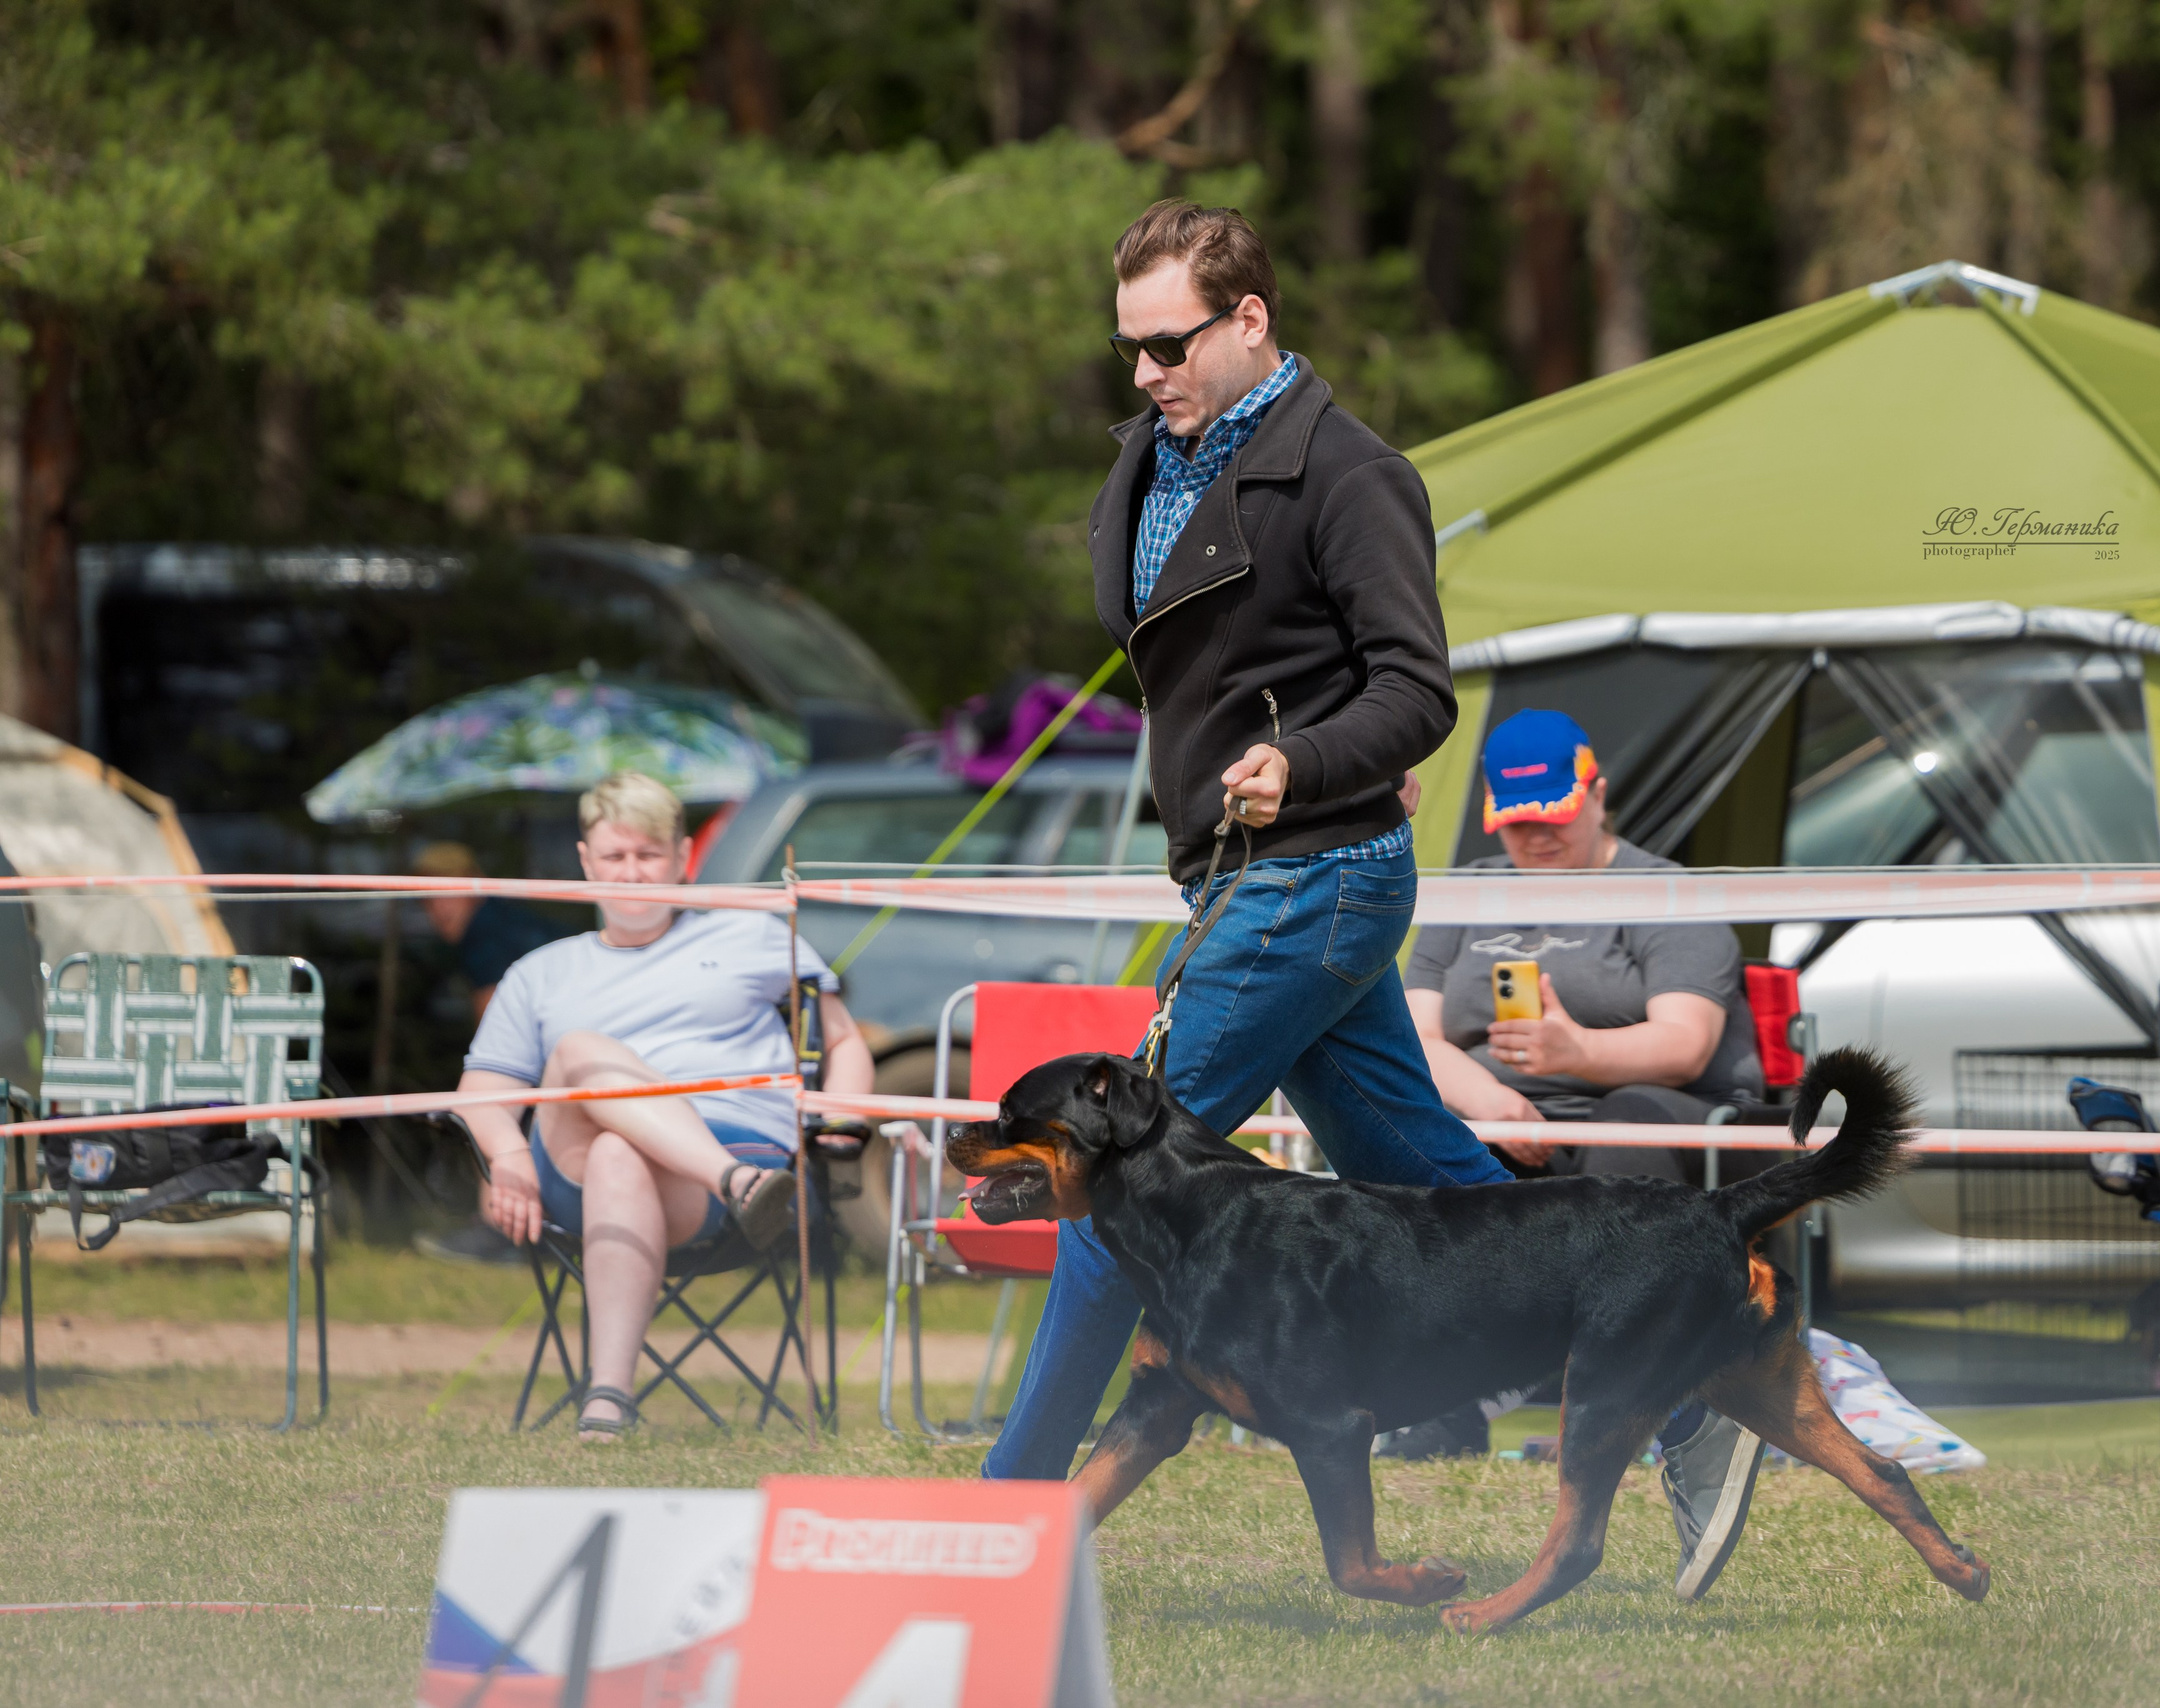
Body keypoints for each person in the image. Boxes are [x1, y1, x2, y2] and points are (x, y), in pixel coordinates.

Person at [980, 198, 1514, 1482]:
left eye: (1171, 344)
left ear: (1251, 319)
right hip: (1245, 881)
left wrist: (1306, 757)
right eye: (1131, 350)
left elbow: (1419, 688)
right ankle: (1675, 1373)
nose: (1149, 372)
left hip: (1315, 875)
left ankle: (1004, 1510)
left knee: (1119, 1189)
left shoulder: (1351, 473)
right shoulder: (1151, 459)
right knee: (1433, 1177)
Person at [1400, 708, 1771, 1601]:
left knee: (1629, 1131)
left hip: (1637, 1120)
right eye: (1515, 821)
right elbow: (1412, 1035)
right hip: (1498, 1125)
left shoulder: (1663, 891)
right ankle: (1432, 1398)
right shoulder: (1468, 894)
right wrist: (1487, 1097)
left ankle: (1663, 1407)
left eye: (1553, 815)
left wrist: (1577, 1056)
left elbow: (1687, 1042)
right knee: (1403, 1134)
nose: (1534, 836)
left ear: (1598, 793)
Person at [452, 772, 876, 1441]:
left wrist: (846, 1119)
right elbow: (480, 1092)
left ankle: (608, 1399)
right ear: (586, 863)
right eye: (614, 857)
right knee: (580, 1050)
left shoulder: (754, 936)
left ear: (682, 858)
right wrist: (505, 1154)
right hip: (612, 1176)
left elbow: (844, 1039)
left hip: (740, 1147)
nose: (632, 873)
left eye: (648, 855)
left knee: (621, 1149)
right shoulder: (539, 972)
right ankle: (734, 1182)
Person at [415, 841, 572, 1021]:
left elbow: (492, 1023)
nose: (439, 906)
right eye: (428, 896)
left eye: (448, 892)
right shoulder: (500, 915)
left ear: (475, 882)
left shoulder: (483, 935)